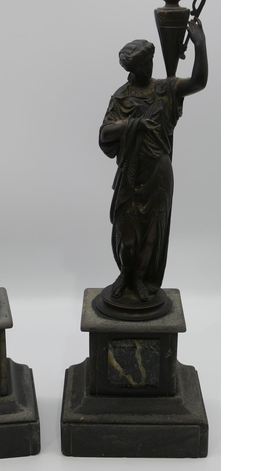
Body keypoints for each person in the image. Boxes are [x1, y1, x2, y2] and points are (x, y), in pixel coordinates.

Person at [99, 19, 208, 302]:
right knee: (127, 232)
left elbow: (198, 82)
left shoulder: (165, 88)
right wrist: (133, 124)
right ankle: (125, 273)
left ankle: (140, 278)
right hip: (130, 172)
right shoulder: (121, 97)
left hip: (158, 170)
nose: (150, 67)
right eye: (144, 63)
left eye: (151, 61)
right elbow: (105, 133)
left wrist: (200, 44)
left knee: (152, 231)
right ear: (133, 68)